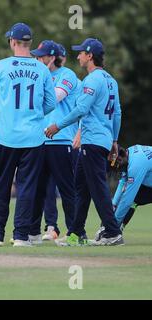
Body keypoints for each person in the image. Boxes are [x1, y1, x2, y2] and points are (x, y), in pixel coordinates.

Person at [0, 23, 56, 247]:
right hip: (33, 137)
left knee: (1, 186)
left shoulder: (1, 66)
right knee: (27, 187)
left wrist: (5, 110)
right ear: (30, 43)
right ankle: (21, 236)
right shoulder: (42, 69)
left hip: (6, 136)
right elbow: (51, 103)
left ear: (12, 42)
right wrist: (32, 115)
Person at [46, 38, 124, 246]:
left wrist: (58, 126)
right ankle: (76, 233)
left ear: (90, 56)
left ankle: (112, 232)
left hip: (92, 140)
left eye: (81, 53)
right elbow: (117, 113)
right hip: (103, 139)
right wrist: (114, 140)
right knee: (81, 187)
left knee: (97, 187)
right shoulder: (110, 80)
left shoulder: (92, 80)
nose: (78, 56)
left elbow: (81, 109)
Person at [28, 40, 80, 244]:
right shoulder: (41, 74)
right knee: (38, 189)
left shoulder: (67, 75)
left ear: (52, 57)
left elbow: (54, 98)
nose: (37, 59)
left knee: (67, 189)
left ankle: (75, 232)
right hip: (39, 141)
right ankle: (33, 232)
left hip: (61, 139)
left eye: (41, 56)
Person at [95, 145, 152, 240]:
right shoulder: (129, 153)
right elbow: (123, 181)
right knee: (135, 199)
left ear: (121, 157)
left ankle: (117, 229)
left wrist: (112, 227)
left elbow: (126, 200)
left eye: (118, 164)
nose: (118, 168)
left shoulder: (136, 166)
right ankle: (118, 228)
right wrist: (113, 206)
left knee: (131, 199)